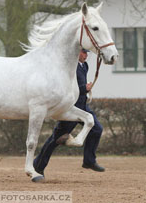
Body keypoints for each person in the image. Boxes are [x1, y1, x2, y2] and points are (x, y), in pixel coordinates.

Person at [33, 48, 105, 177]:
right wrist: (84, 88)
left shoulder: (85, 65)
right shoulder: (70, 67)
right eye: (83, 53)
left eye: (86, 53)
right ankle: (38, 166)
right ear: (77, 53)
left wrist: (85, 90)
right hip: (70, 108)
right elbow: (68, 86)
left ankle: (89, 160)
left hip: (82, 106)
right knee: (56, 139)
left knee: (97, 129)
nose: (85, 56)